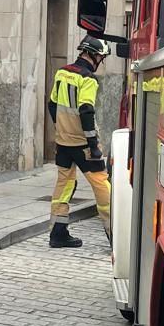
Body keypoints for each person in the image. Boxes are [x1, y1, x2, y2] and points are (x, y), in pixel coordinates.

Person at [47, 34, 111, 249]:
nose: (101, 62)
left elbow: (52, 105)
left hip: (63, 142)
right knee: (102, 184)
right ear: (94, 56)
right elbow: (86, 109)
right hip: (83, 144)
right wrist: (93, 145)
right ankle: (115, 235)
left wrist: (61, 129)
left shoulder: (63, 72)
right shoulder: (88, 79)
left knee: (64, 185)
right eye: (101, 58)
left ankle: (58, 233)